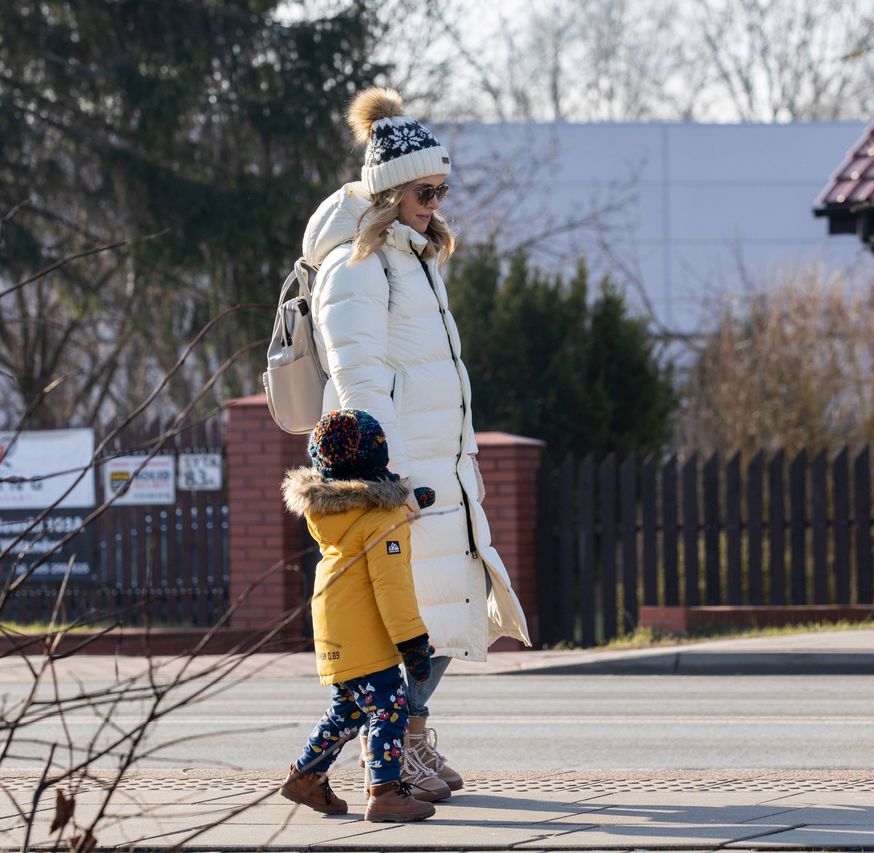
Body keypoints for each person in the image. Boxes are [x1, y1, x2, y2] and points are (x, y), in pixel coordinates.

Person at [300, 86, 531, 796]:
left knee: (444, 611)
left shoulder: (412, 258)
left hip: (440, 467)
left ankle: (385, 747)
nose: (437, 202)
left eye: (441, 189)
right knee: (414, 622)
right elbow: (359, 373)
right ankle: (394, 751)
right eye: (425, 190)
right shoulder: (357, 265)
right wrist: (382, 475)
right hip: (399, 473)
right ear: (391, 191)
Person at [279, 408, 440, 822]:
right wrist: (413, 643)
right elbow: (393, 588)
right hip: (366, 630)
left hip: (333, 625)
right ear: (376, 461)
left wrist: (407, 504)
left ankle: (305, 777)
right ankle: (385, 792)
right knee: (391, 707)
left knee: (347, 712)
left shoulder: (328, 512)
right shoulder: (383, 518)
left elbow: (364, 515)